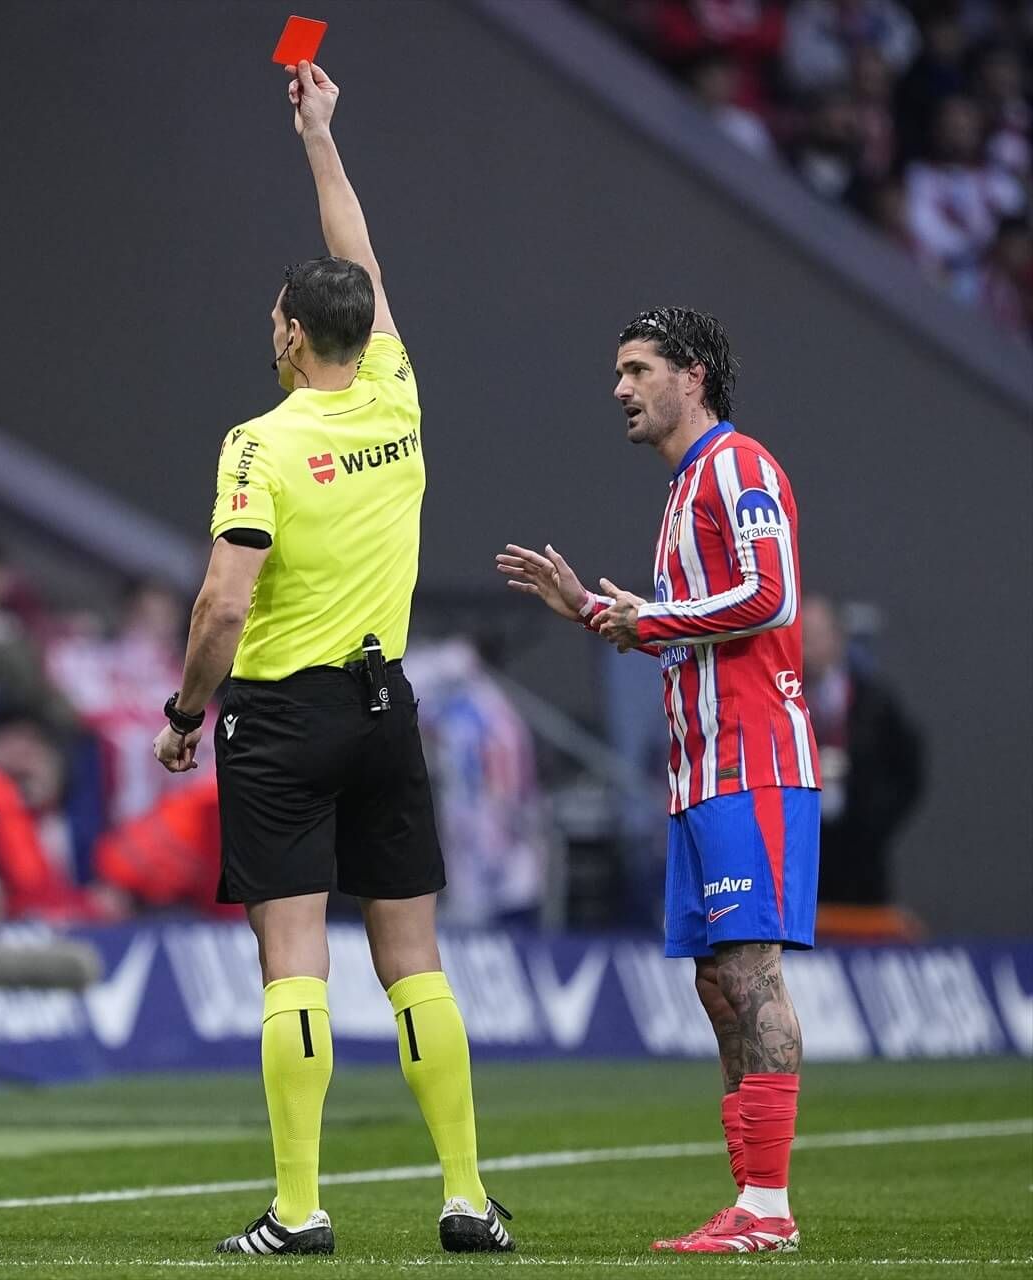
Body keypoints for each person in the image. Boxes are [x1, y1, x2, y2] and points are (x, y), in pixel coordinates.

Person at [152, 61, 512, 1258]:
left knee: (292, 959)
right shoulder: (398, 397)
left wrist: (186, 709)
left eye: (276, 317)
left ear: (294, 333)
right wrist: (322, 140)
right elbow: (362, 256)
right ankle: (466, 1192)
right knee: (414, 959)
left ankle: (300, 1208)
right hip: (385, 703)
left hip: (284, 717)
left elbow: (220, 602)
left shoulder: (261, 441)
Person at [497, 306, 817, 1254]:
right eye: (619, 372)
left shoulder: (738, 468)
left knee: (752, 975)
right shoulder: (682, 492)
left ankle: (770, 1208)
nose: (620, 389)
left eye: (638, 369)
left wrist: (647, 620)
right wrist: (595, 612)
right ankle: (750, 1201)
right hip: (698, 773)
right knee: (717, 985)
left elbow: (771, 596)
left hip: (751, 765)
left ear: (694, 377)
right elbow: (675, 627)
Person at [804, 596, 924, 907]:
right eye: (799, 638)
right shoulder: (779, 703)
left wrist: (873, 819)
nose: (806, 648)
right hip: (800, 860)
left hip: (863, 863)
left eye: (814, 637)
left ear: (836, 639)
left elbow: (908, 772)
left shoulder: (875, 702)